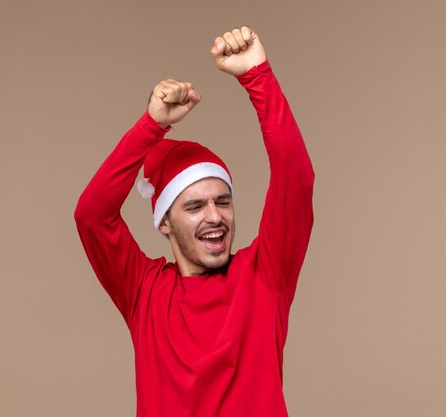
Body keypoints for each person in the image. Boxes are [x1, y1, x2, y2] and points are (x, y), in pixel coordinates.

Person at [75, 26, 314, 417]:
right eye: (194, 207)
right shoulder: (144, 292)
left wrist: (257, 75)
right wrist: (151, 126)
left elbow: (296, 178)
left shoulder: (265, 276)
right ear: (164, 222)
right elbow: (91, 215)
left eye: (223, 201)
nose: (215, 216)